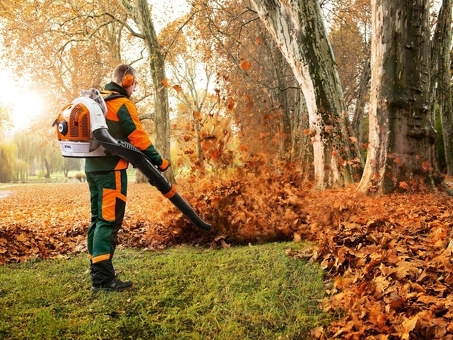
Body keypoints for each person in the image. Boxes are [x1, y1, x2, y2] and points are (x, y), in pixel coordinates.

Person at [85, 64, 170, 293]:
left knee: (97, 219)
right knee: (108, 222)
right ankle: (103, 279)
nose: (135, 87)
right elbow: (138, 137)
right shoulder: (122, 104)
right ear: (128, 80)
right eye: (135, 83)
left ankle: (97, 270)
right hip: (111, 171)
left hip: (92, 169)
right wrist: (160, 161)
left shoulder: (97, 100)